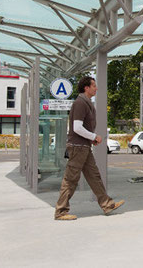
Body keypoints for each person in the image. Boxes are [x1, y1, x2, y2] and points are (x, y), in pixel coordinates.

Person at [54, 76, 124, 220]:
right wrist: (93, 136)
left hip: (83, 147)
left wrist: (91, 139)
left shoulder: (86, 103)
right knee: (71, 179)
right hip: (78, 147)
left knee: (94, 176)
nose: (96, 88)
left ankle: (107, 204)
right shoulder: (80, 103)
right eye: (94, 86)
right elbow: (77, 127)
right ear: (86, 88)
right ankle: (60, 211)